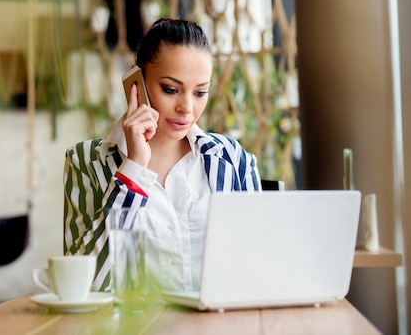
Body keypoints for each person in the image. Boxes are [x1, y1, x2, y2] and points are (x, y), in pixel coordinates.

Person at [63, 18, 262, 293]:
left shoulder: (233, 160)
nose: (187, 108)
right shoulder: (86, 163)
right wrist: (133, 170)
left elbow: (259, 269)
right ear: (136, 83)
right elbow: (84, 285)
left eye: (200, 92)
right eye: (170, 89)